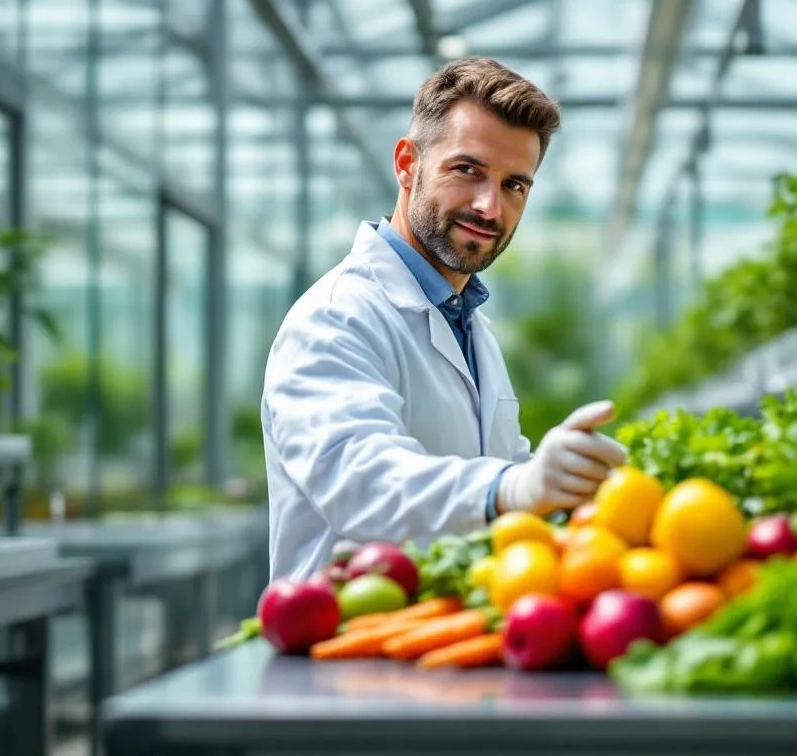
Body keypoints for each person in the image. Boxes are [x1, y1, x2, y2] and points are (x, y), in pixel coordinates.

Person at [262, 58, 627, 580]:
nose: (489, 207)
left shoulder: (470, 327)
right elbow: (360, 482)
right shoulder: (336, 316)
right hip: (351, 626)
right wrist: (513, 488)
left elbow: (499, 471)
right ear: (407, 164)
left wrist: (571, 485)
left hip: (452, 623)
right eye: (467, 170)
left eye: (514, 185)